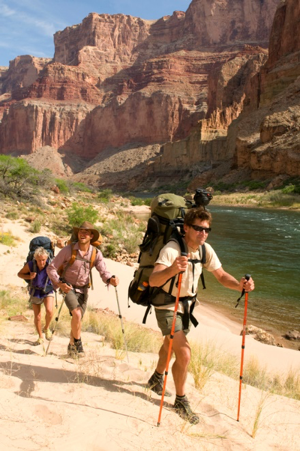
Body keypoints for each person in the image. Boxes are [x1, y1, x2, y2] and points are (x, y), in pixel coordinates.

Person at [147, 207, 255, 424]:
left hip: (186, 308)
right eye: (198, 229)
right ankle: (180, 400)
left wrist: (241, 286)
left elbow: (222, 276)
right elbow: (153, 280)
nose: (203, 233)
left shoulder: (205, 250)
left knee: (170, 346)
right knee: (184, 353)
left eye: (206, 230)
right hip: (167, 305)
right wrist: (172, 270)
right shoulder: (172, 249)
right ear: (186, 228)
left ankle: (156, 378)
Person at [47, 221, 119, 356]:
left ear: (92, 236)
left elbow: (103, 271)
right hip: (67, 287)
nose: (83, 234)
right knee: (77, 314)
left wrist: (110, 279)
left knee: (77, 319)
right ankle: (79, 343)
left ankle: (71, 346)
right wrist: (60, 283)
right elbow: (51, 268)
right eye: (81, 231)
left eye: (86, 232)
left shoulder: (95, 253)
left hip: (84, 289)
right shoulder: (68, 250)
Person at [18, 247, 54, 345]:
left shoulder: (50, 265)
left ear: (46, 258)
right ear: (35, 259)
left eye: (43, 260)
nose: (42, 262)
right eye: (39, 260)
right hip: (35, 291)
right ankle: (40, 336)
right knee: (37, 316)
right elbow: (20, 274)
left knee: (50, 311)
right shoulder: (30, 265)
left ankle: (46, 328)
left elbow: (58, 274)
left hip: (47, 290)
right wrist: (29, 277)